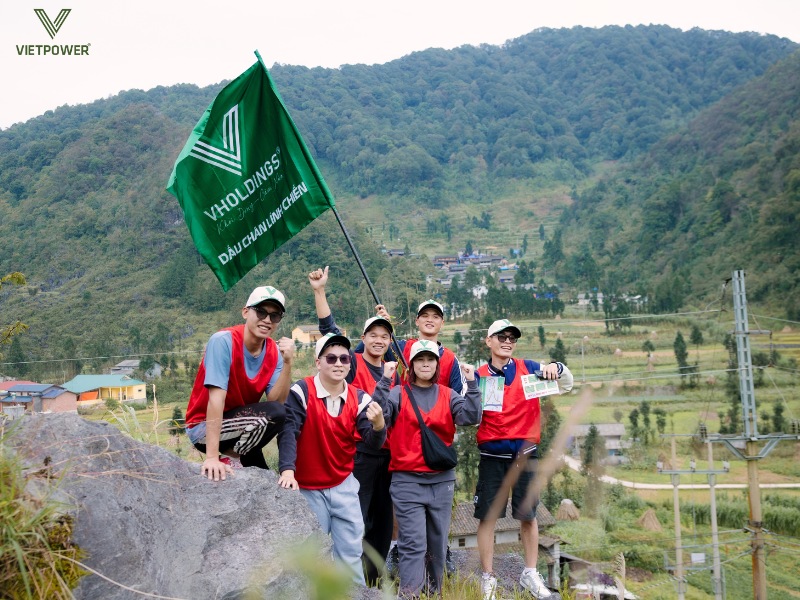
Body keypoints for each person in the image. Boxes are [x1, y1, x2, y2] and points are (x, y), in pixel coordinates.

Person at [359, 298, 465, 574]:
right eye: (424, 315)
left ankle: (438, 559)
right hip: (401, 439)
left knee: (437, 516)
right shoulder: (402, 348)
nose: (430, 320)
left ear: (442, 322)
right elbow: (370, 349)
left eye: (436, 316)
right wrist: (385, 329)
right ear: (417, 321)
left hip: (435, 446)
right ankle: (400, 555)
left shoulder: (450, 359)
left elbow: (461, 404)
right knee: (400, 506)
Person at [308, 266, 398, 586]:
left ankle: (370, 585)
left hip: (389, 457)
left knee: (383, 525)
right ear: (362, 339)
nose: (378, 340)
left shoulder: (393, 371)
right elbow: (328, 330)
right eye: (372, 334)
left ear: (390, 341)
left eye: (384, 336)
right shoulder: (353, 362)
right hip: (359, 454)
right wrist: (320, 292)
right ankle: (339, 582)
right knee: (353, 521)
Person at [473, 319, 573, 600]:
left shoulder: (529, 369)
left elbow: (566, 385)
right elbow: (466, 412)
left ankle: (530, 572)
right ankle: (488, 577)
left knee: (528, 516)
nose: (507, 341)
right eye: (501, 336)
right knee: (487, 518)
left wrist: (559, 368)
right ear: (488, 341)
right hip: (492, 457)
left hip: (526, 456)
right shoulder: (480, 375)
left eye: (512, 338)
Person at [277, 333, 387, 587]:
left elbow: (371, 442)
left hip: (343, 485)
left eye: (344, 358)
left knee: (351, 552)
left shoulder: (359, 399)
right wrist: (287, 470)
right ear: (318, 362)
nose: (339, 363)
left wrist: (380, 426)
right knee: (313, 553)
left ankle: (355, 594)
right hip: (307, 488)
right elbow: (289, 432)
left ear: (350, 363)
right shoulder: (301, 392)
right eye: (331, 358)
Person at [374, 341, 481, 599]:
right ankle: (409, 594)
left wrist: (473, 385)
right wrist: (383, 381)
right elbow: (379, 414)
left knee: (437, 544)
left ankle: (434, 593)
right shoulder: (399, 392)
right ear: (411, 365)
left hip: (441, 483)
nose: (425, 363)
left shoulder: (447, 394)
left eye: (430, 360)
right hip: (407, 481)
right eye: (420, 359)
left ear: (436, 365)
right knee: (413, 545)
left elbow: (471, 417)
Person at [185, 285, 294, 481]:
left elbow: (277, 400)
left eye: (274, 316)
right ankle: (229, 456)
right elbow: (216, 400)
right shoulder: (223, 341)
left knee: (278, 415)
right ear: (245, 312)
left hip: (244, 428)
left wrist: (287, 363)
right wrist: (211, 457)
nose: (267, 320)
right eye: (261, 312)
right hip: (203, 428)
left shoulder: (274, 352)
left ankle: (234, 456)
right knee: (276, 413)